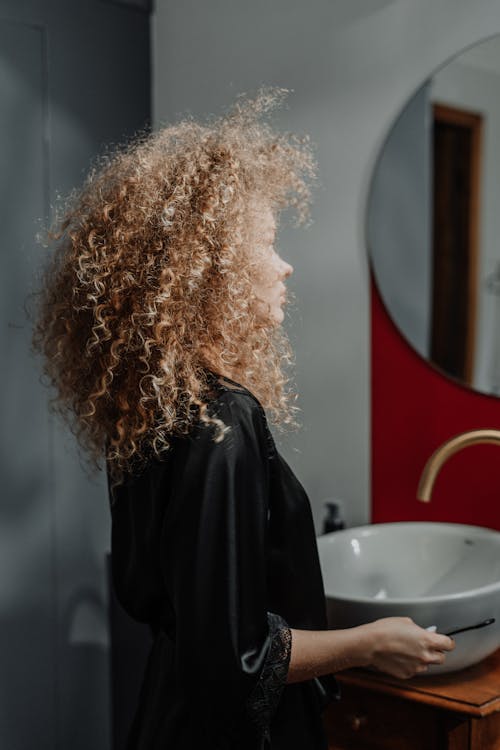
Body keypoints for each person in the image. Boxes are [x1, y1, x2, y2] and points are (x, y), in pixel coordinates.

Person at [31, 86, 455, 750]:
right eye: (267, 244)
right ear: (209, 272)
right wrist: (371, 642)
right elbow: (235, 662)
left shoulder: (158, 405)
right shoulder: (221, 422)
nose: (285, 267)